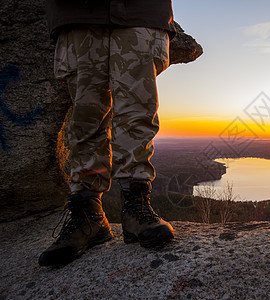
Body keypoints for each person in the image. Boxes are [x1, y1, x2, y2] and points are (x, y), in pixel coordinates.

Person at [39, 0, 177, 266]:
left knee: (138, 112)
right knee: (85, 118)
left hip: (141, 10)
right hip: (76, 12)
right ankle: (88, 213)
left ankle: (136, 204)